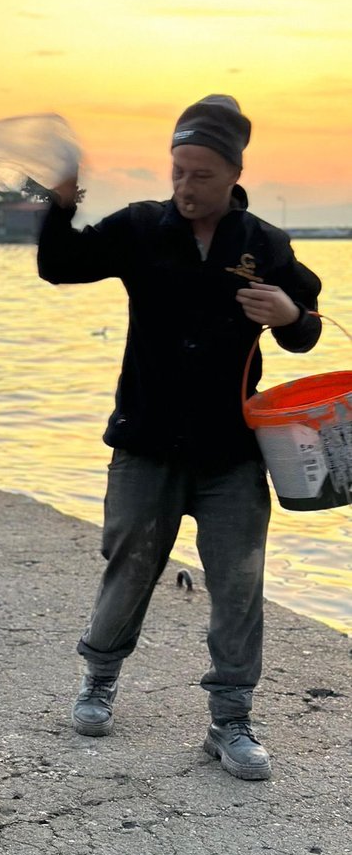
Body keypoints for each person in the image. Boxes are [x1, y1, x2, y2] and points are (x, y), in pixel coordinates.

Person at [36, 95, 322, 781]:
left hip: (232, 454)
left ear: (232, 174)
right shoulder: (141, 228)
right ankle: (99, 679)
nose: (186, 187)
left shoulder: (264, 245)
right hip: (146, 444)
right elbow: (59, 265)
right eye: (178, 172)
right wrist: (62, 204)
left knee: (238, 583)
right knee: (128, 562)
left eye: (200, 174)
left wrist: (286, 314)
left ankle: (231, 722)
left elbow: (307, 325)